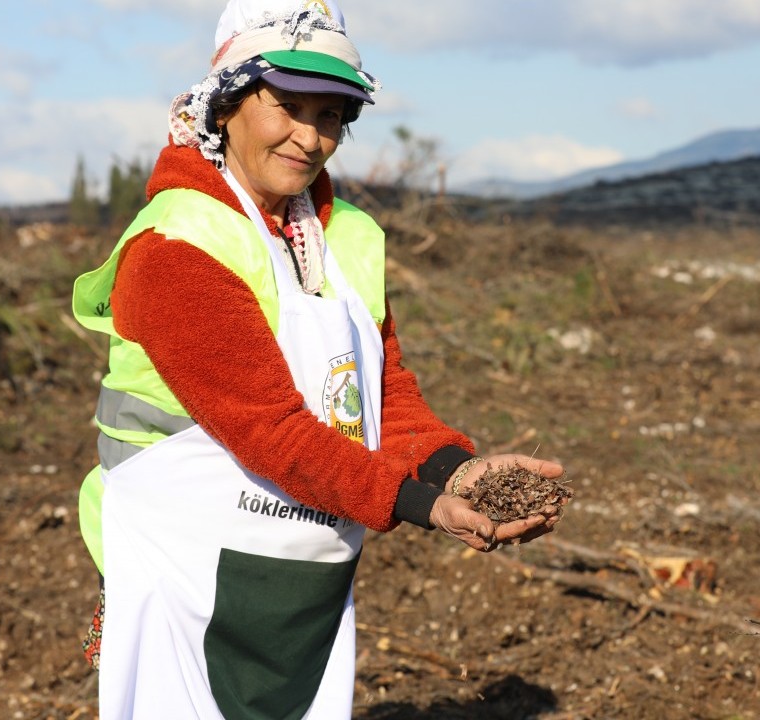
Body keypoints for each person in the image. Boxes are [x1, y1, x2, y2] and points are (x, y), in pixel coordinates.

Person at [70, 0, 566, 716]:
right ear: (227, 104)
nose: (309, 136)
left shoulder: (349, 237)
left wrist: (453, 468)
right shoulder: (179, 245)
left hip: (300, 569)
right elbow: (268, 429)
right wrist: (423, 506)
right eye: (288, 105)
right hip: (181, 561)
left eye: (331, 114)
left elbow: (380, 395)